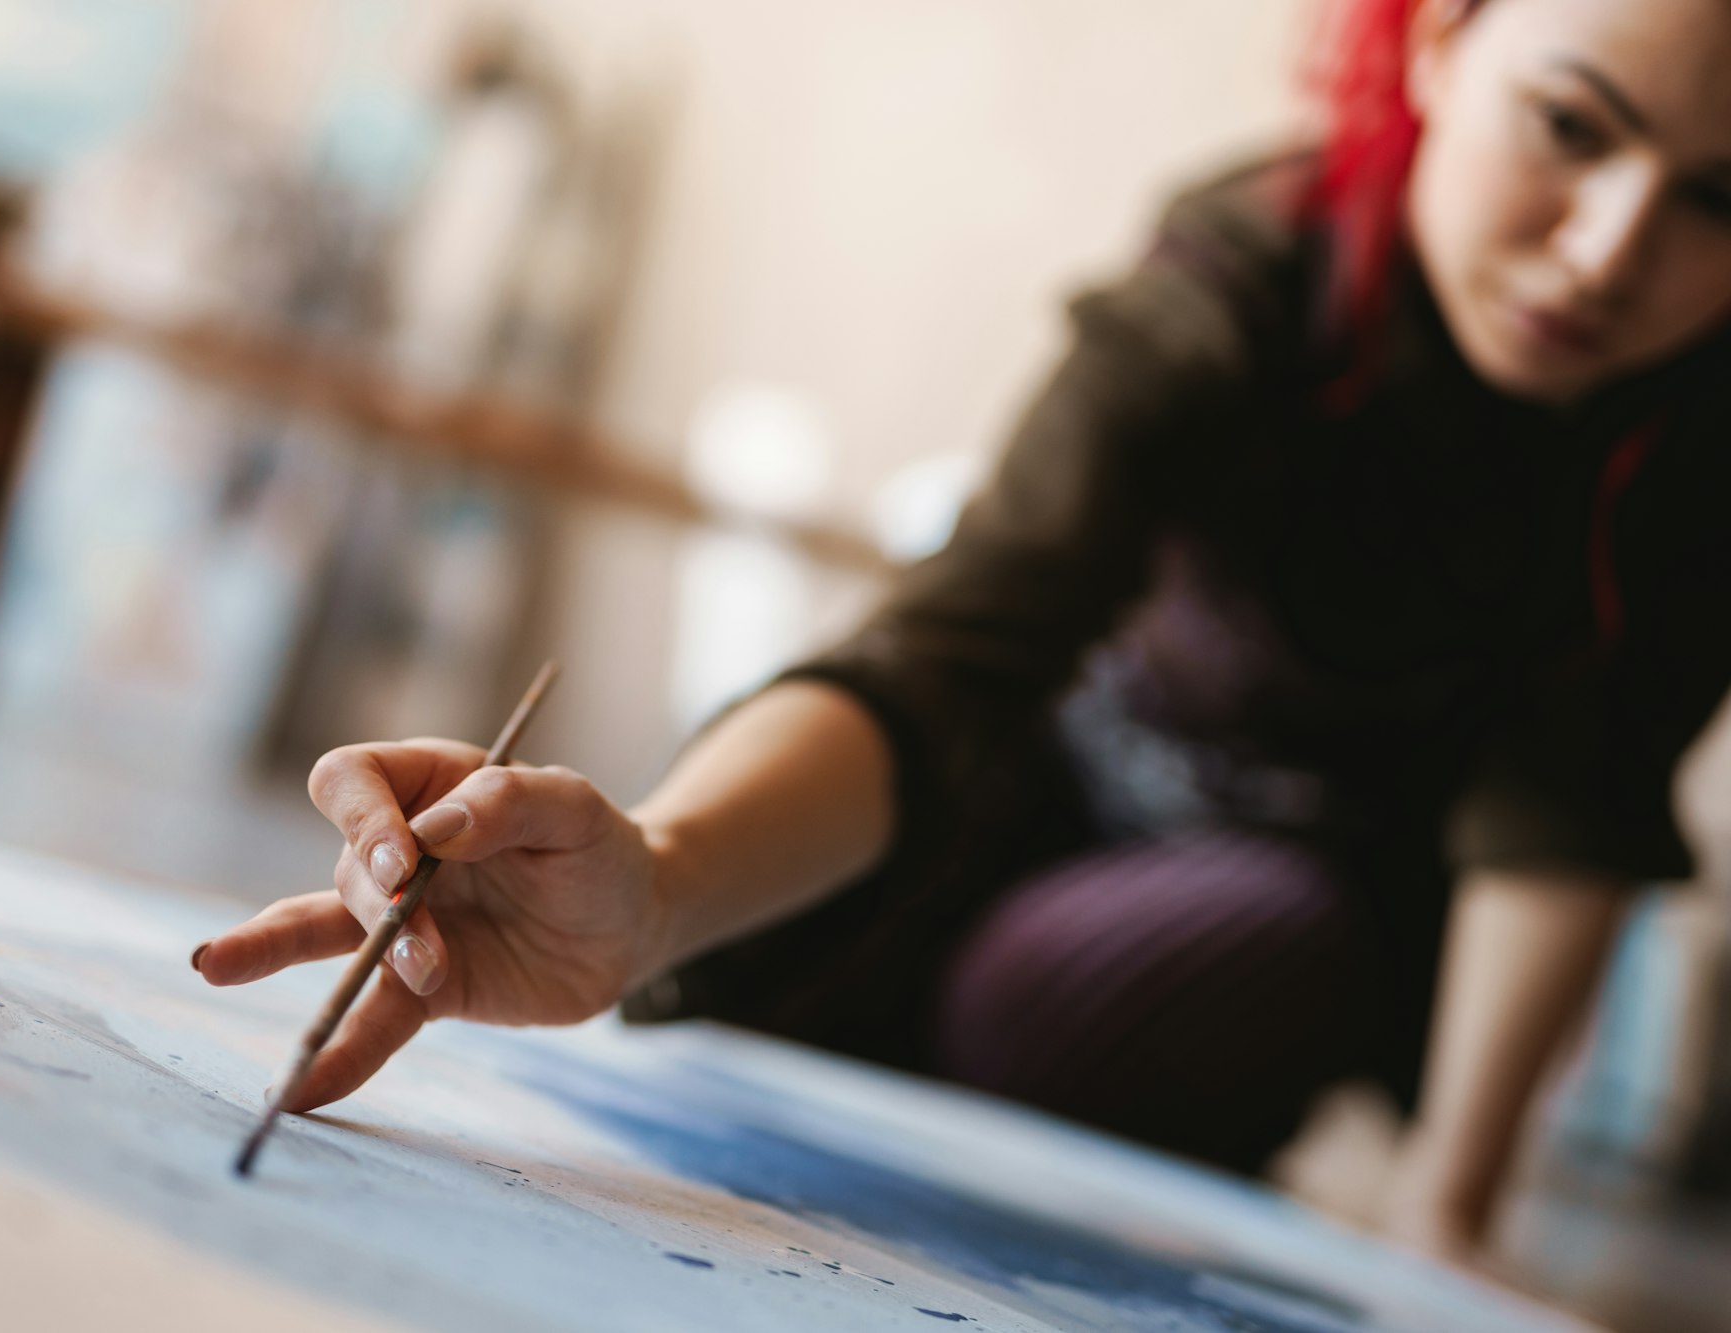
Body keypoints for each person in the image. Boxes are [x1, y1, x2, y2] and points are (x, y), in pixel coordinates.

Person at [192, 0, 1731, 1265]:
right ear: (1440, 39)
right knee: (811, 935)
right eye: (1573, 127)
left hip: (1253, 944)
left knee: (1241, 944)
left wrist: (1451, 1214)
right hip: (993, 817)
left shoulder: (1702, 417)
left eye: (1718, 198)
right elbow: (960, 645)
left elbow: (1571, 799)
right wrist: (654, 882)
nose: (1608, 250)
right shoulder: (1244, 275)